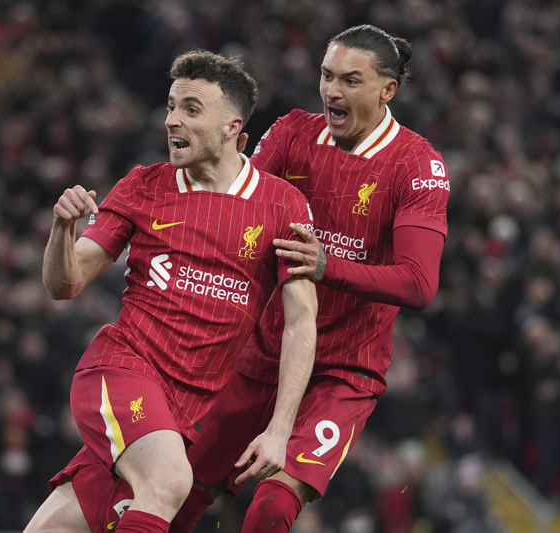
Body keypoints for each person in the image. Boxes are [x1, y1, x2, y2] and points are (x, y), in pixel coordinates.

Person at [76, 24, 450, 533]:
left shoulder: (417, 164)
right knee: (170, 491)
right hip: (259, 356)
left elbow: (419, 283)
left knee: (271, 508)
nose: (332, 91)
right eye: (327, 75)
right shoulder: (294, 132)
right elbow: (234, 199)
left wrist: (327, 266)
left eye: (351, 80)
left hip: (343, 370)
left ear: (388, 90)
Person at [23, 50, 318, 533]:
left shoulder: (284, 205)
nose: (171, 120)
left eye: (191, 109)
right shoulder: (143, 186)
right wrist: (62, 230)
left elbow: (302, 320)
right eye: (171, 106)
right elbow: (66, 283)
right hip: (120, 369)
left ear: (232, 127)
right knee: (168, 482)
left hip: (179, 415)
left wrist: (280, 429)